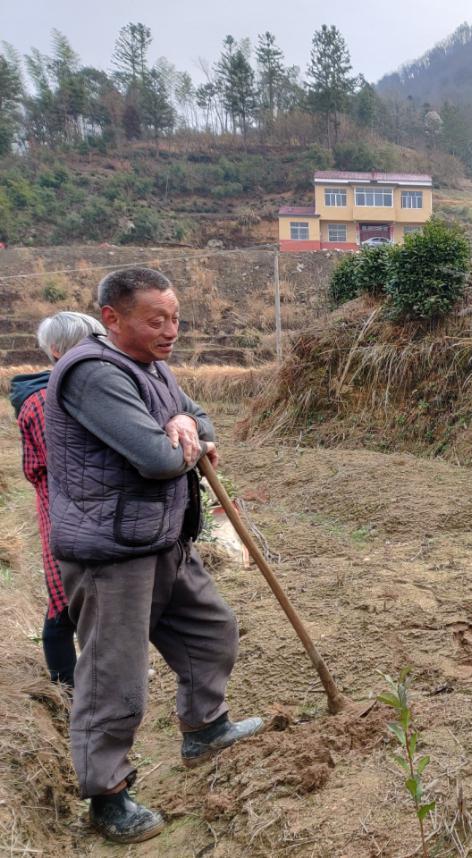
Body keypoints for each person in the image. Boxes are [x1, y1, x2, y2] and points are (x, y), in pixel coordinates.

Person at [45, 267, 263, 843]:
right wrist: (183, 437)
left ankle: (204, 727)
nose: (171, 331)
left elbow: (203, 423)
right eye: (156, 320)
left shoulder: (151, 366)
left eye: (174, 318)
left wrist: (186, 421)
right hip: (111, 550)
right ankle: (107, 797)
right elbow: (158, 459)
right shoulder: (93, 373)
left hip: (163, 537)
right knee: (115, 678)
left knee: (210, 631)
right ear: (112, 319)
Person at [10, 312, 106, 688]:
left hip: (83, 510)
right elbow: (66, 463)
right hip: (64, 509)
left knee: (83, 601)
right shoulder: (43, 401)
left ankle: (89, 677)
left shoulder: (78, 391)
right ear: (56, 352)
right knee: (64, 604)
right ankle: (67, 687)